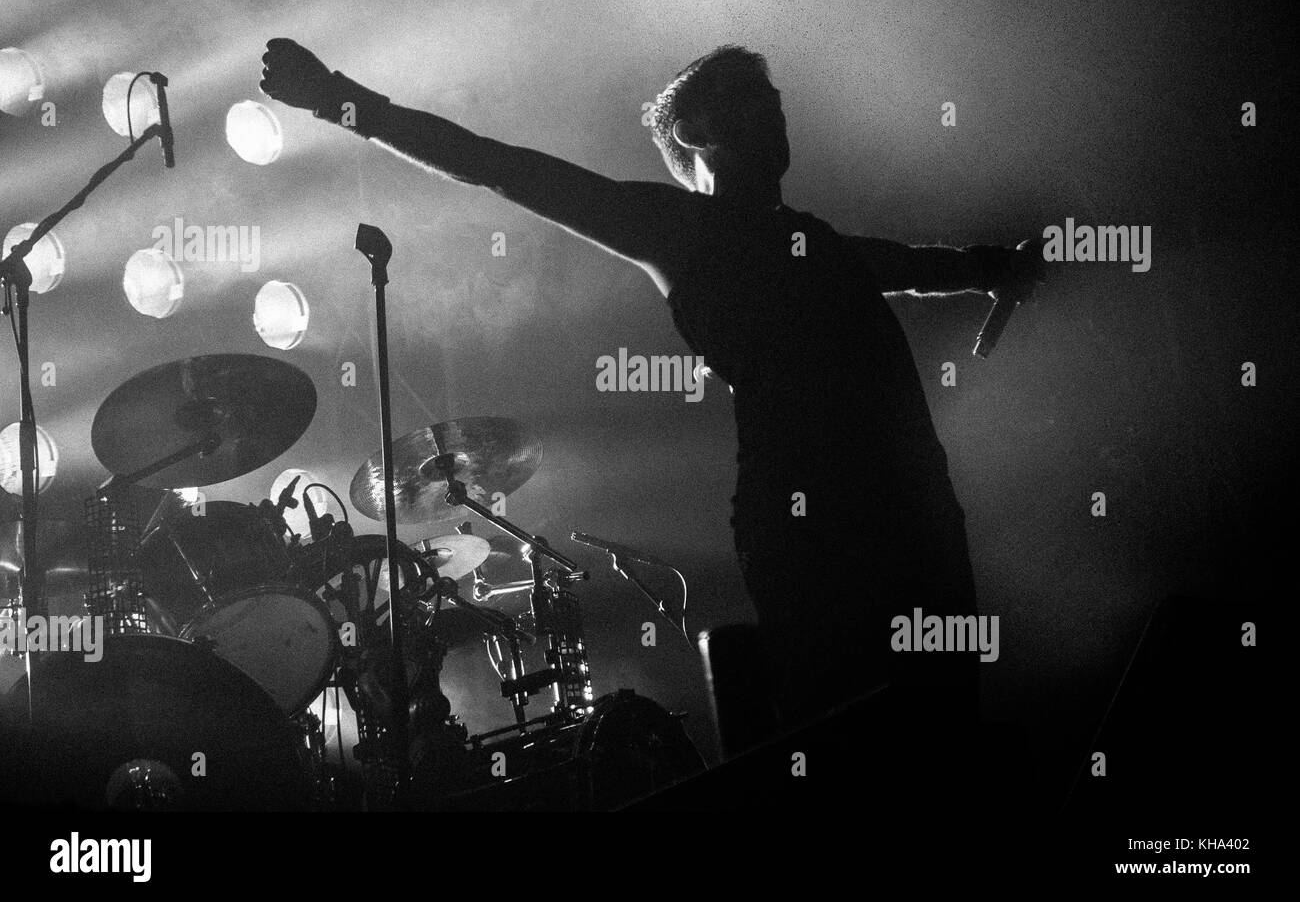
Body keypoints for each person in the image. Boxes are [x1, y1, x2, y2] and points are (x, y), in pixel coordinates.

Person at [259, 40, 1044, 738]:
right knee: (856, 738)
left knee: (946, 734)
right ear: (698, 132)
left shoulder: (812, 239)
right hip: (818, 520)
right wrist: (340, 98)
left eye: (776, 102)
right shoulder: (678, 229)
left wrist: (985, 267)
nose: (779, 115)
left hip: (912, 508)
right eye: (756, 102)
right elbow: (497, 166)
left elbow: (898, 265)